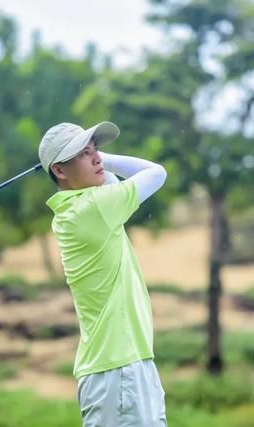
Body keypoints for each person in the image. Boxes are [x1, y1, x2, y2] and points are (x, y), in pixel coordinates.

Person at [38, 121, 168, 426]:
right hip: (117, 372)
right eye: (84, 154)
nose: (97, 157)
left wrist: (88, 161)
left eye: (95, 149)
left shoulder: (79, 208)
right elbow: (156, 173)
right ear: (59, 170)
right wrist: (106, 161)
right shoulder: (92, 208)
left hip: (127, 364)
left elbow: (109, 181)